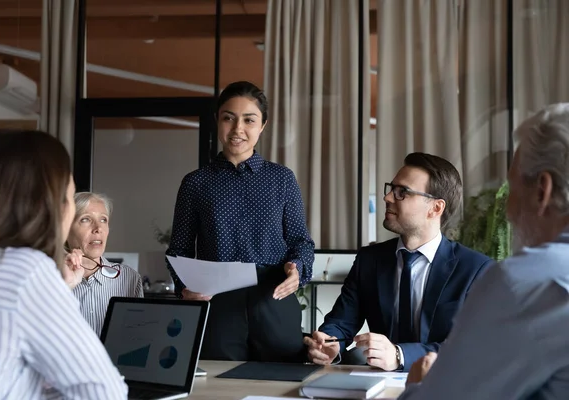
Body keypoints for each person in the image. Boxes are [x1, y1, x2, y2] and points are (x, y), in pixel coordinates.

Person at [400, 103, 569, 399]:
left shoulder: (521, 285)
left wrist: (419, 384)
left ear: (542, 191)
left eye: (513, 190)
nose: (508, 210)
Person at [0, 129, 127, 398]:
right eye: (68, 198)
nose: (97, 228)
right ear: (51, 207)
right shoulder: (24, 271)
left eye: (103, 220)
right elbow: (104, 393)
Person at [166, 81, 315, 362]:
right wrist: (185, 288)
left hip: (274, 299)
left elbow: (300, 241)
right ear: (217, 121)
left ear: (263, 125)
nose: (238, 129)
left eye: (249, 120)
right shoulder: (195, 183)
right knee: (218, 388)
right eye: (228, 118)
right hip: (217, 306)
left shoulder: (282, 179)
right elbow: (179, 249)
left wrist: (297, 270)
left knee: (281, 386)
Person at [305, 152, 492, 371]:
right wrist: (329, 343)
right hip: (377, 386)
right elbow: (341, 322)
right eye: (391, 188)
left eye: (402, 192)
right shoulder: (370, 260)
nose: (388, 198)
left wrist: (400, 355)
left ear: (436, 208)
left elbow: (474, 347)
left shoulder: (476, 270)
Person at [67, 192, 144, 336]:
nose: (98, 228)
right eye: (85, 220)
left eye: (103, 220)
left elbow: (137, 337)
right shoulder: (49, 277)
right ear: (65, 228)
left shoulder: (129, 278)